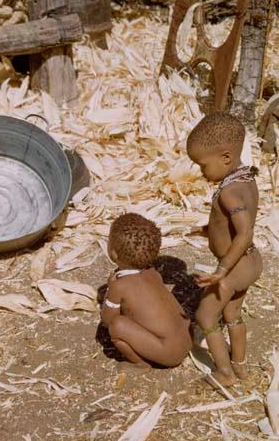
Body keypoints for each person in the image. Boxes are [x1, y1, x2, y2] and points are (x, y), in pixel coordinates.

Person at [187, 111, 263, 387]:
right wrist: (209, 230)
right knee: (232, 313)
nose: (200, 171)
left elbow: (244, 232)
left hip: (236, 266)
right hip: (252, 262)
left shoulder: (230, 192)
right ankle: (240, 365)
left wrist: (221, 271)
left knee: (205, 315)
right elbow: (234, 225)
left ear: (226, 158)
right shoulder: (245, 180)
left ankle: (224, 372)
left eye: (202, 165)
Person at [101, 213, 192, 371]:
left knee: (117, 326)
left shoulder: (119, 286)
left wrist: (110, 291)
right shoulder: (153, 273)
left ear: (114, 253)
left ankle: (140, 364)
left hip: (169, 354)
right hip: (187, 338)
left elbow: (107, 321)